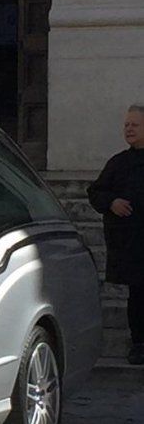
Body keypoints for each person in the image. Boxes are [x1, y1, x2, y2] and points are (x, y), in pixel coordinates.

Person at [87, 104, 144, 364]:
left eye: (135, 124)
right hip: (133, 245)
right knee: (138, 296)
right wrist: (112, 202)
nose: (129, 129)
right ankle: (139, 344)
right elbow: (96, 192)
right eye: (126, 125)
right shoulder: (119, 163)